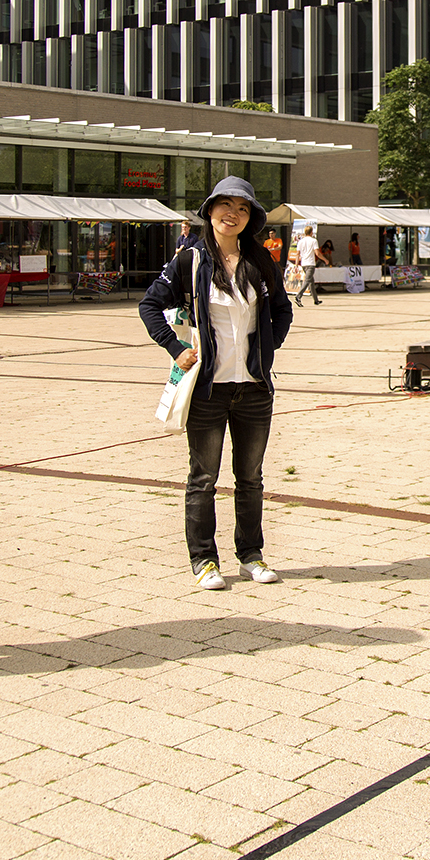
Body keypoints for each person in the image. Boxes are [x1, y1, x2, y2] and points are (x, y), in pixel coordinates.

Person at [140, 177, 294, 589]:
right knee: (203, 477)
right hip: (208, 389)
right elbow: (150, 304)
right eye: (225, 205)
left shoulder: (261, 261)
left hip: (254, 389)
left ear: (250, 218)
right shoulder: (191, 260)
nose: (233, 214)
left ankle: (251, 556)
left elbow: (283, 311)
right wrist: (175, 348)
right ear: (209, 210)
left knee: (251, 478)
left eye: (242, 208)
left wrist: (267, 349)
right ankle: (204, 561)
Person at [293, 226, 321, 306]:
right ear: (311, 232)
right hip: (310, 263)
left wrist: (296, 265)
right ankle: (298, 296)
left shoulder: (300, 241)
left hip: (304, 263)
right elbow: (317, 253)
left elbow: (297, 254)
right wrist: (325, 260)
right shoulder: (314, 241)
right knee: (307, 281)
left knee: (311, 282)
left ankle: (316, 300)